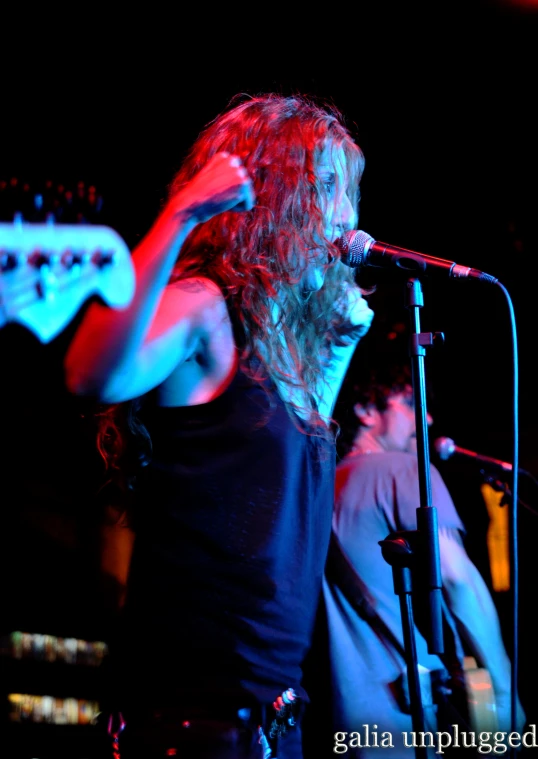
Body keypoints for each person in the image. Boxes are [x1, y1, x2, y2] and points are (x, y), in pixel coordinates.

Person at [62, 92, 375, 758]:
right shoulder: (206, 307)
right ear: (272, 198)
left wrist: (340, 347)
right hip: (189, 722)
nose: (345, 214)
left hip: (274, 721)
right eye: (323, 188)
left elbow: (300, 492)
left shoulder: (288, 354)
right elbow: (94, 372)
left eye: (346, 191)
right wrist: (181, 214)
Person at [319, 342, 526, 757]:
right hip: (407, 719)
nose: (427, 418)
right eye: (411, 402)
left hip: (339, 720)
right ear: (365, 410)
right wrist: (504, 694)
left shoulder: (319, 486)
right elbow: (457, 579)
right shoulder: (403, 470)